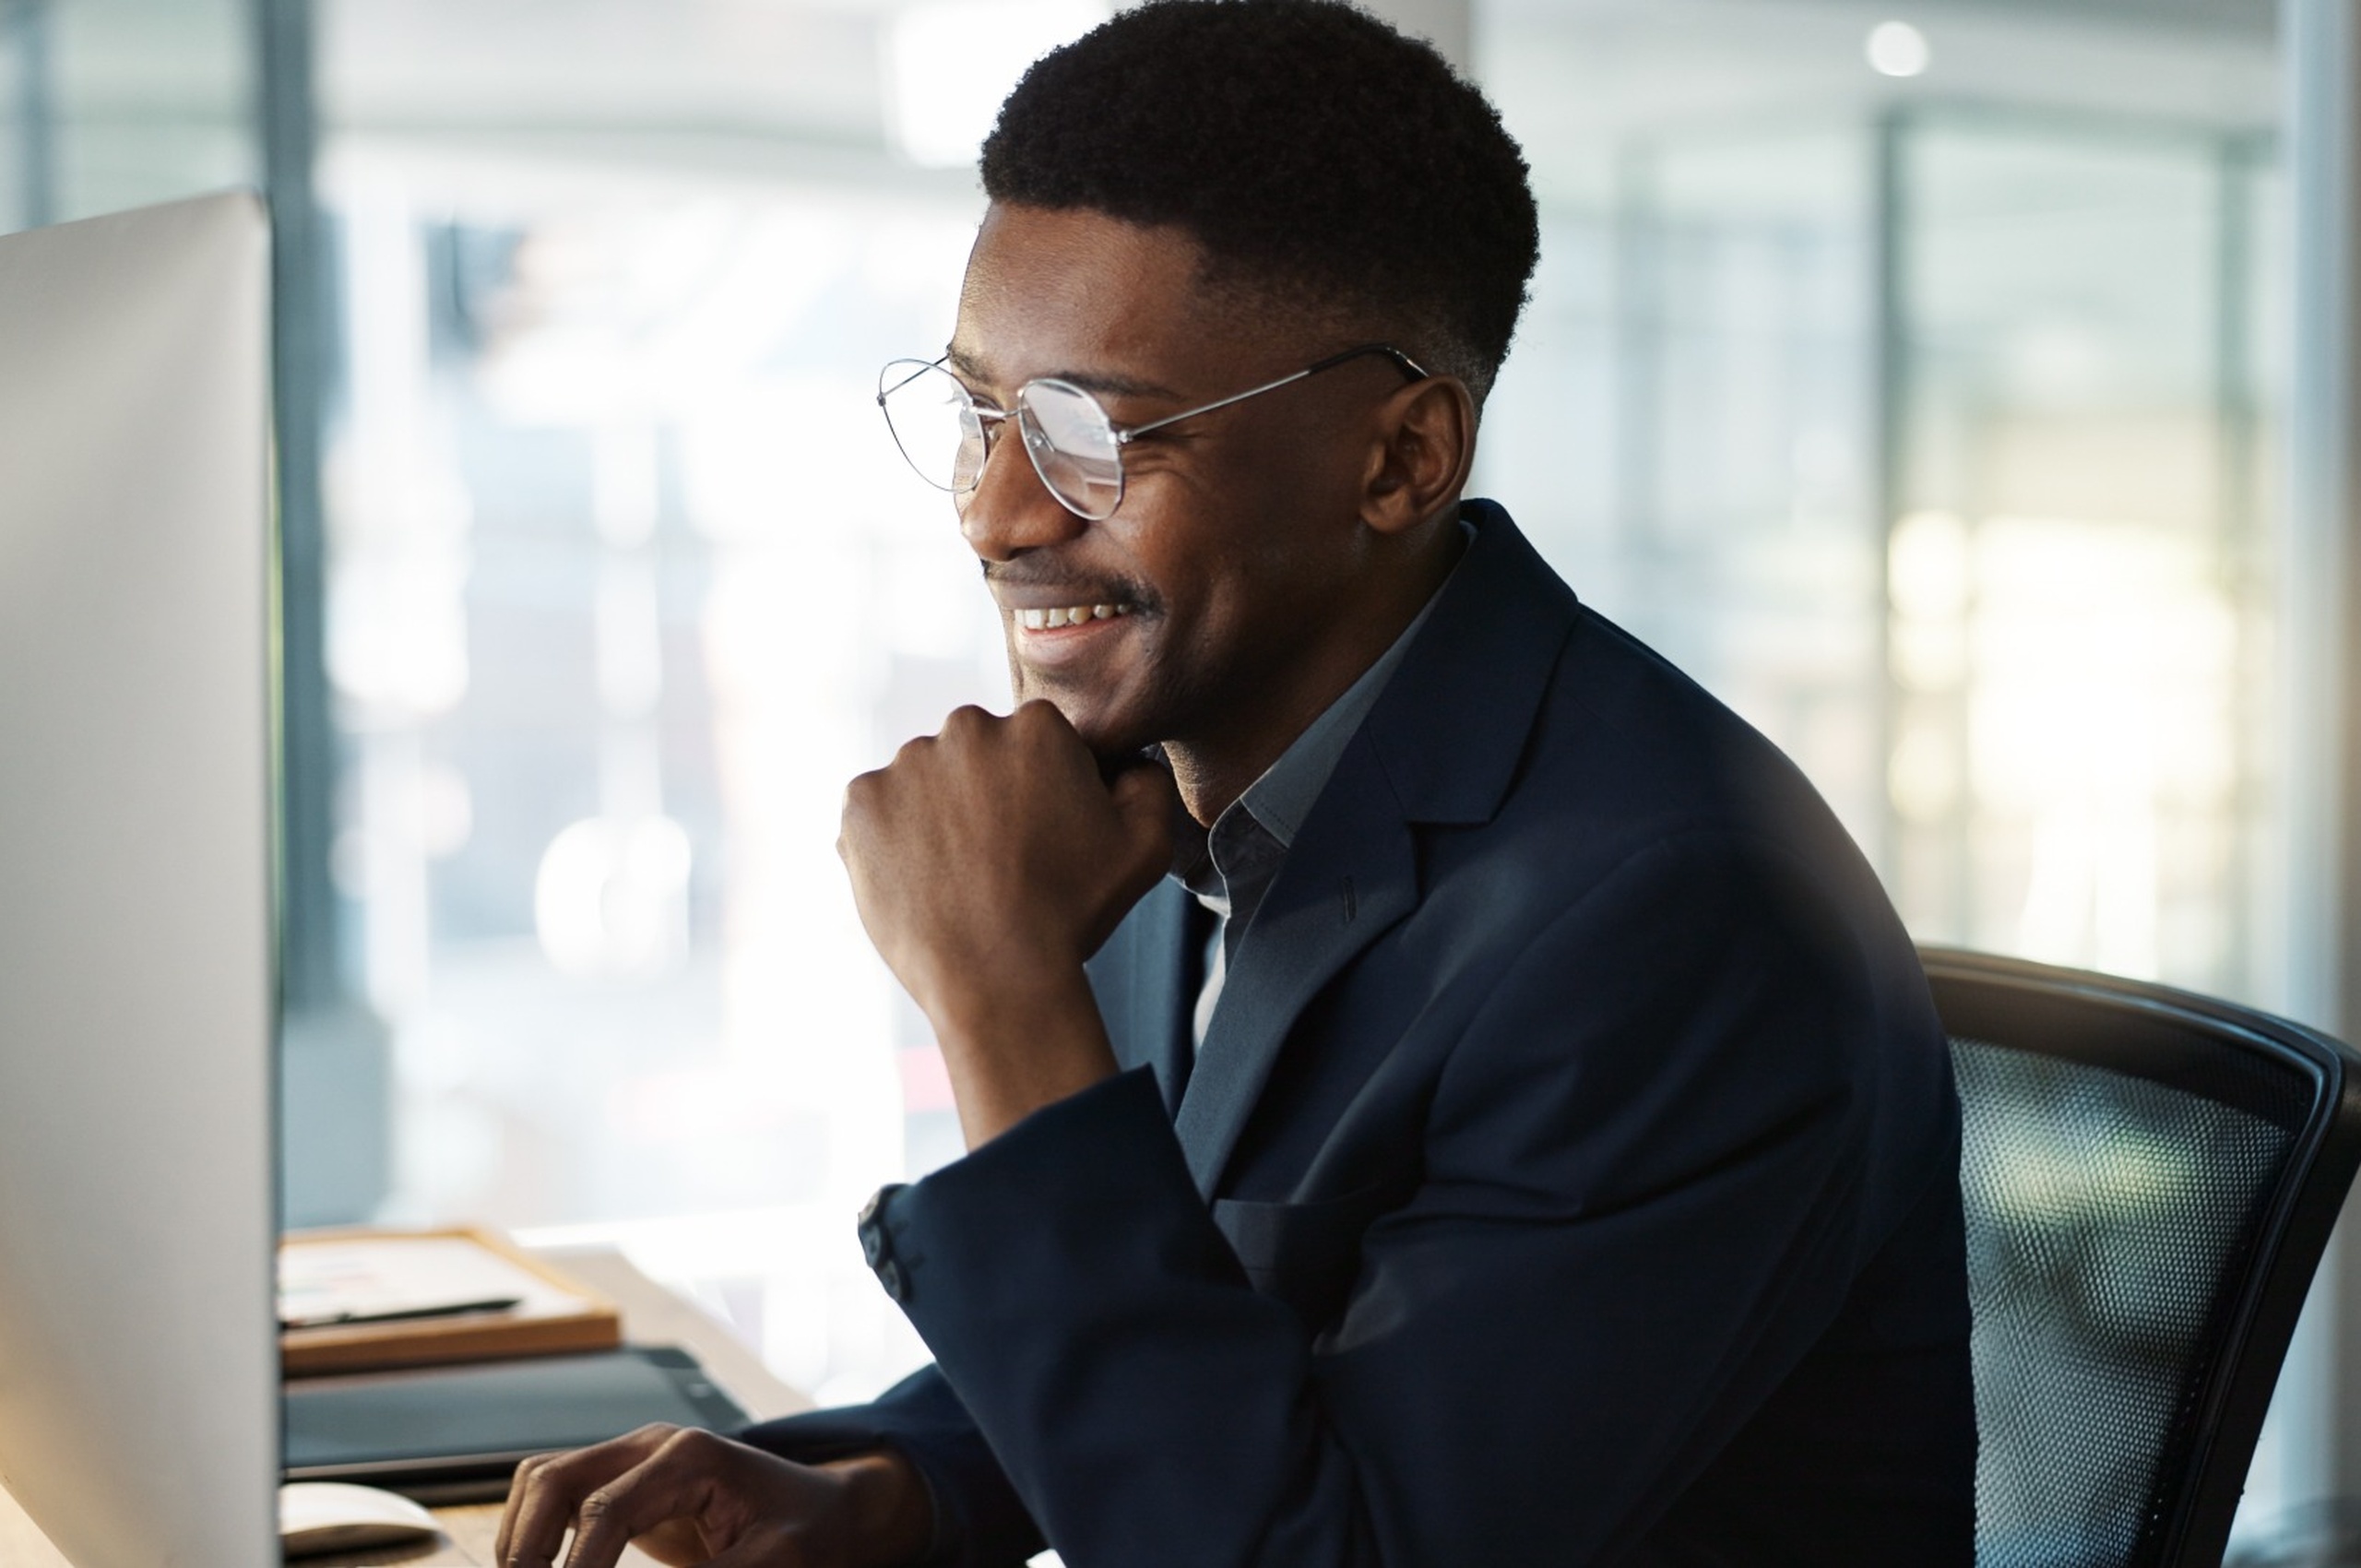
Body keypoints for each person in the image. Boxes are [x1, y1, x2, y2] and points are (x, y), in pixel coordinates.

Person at [495, 3, 1976, 1564]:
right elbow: (1217, 1328)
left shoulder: (1672, 920)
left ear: (1401, 459)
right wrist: (903, 1490)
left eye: (1088, 431)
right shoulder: (1180, 766)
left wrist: (1003, 1001)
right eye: (981, 415)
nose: (997, 513)